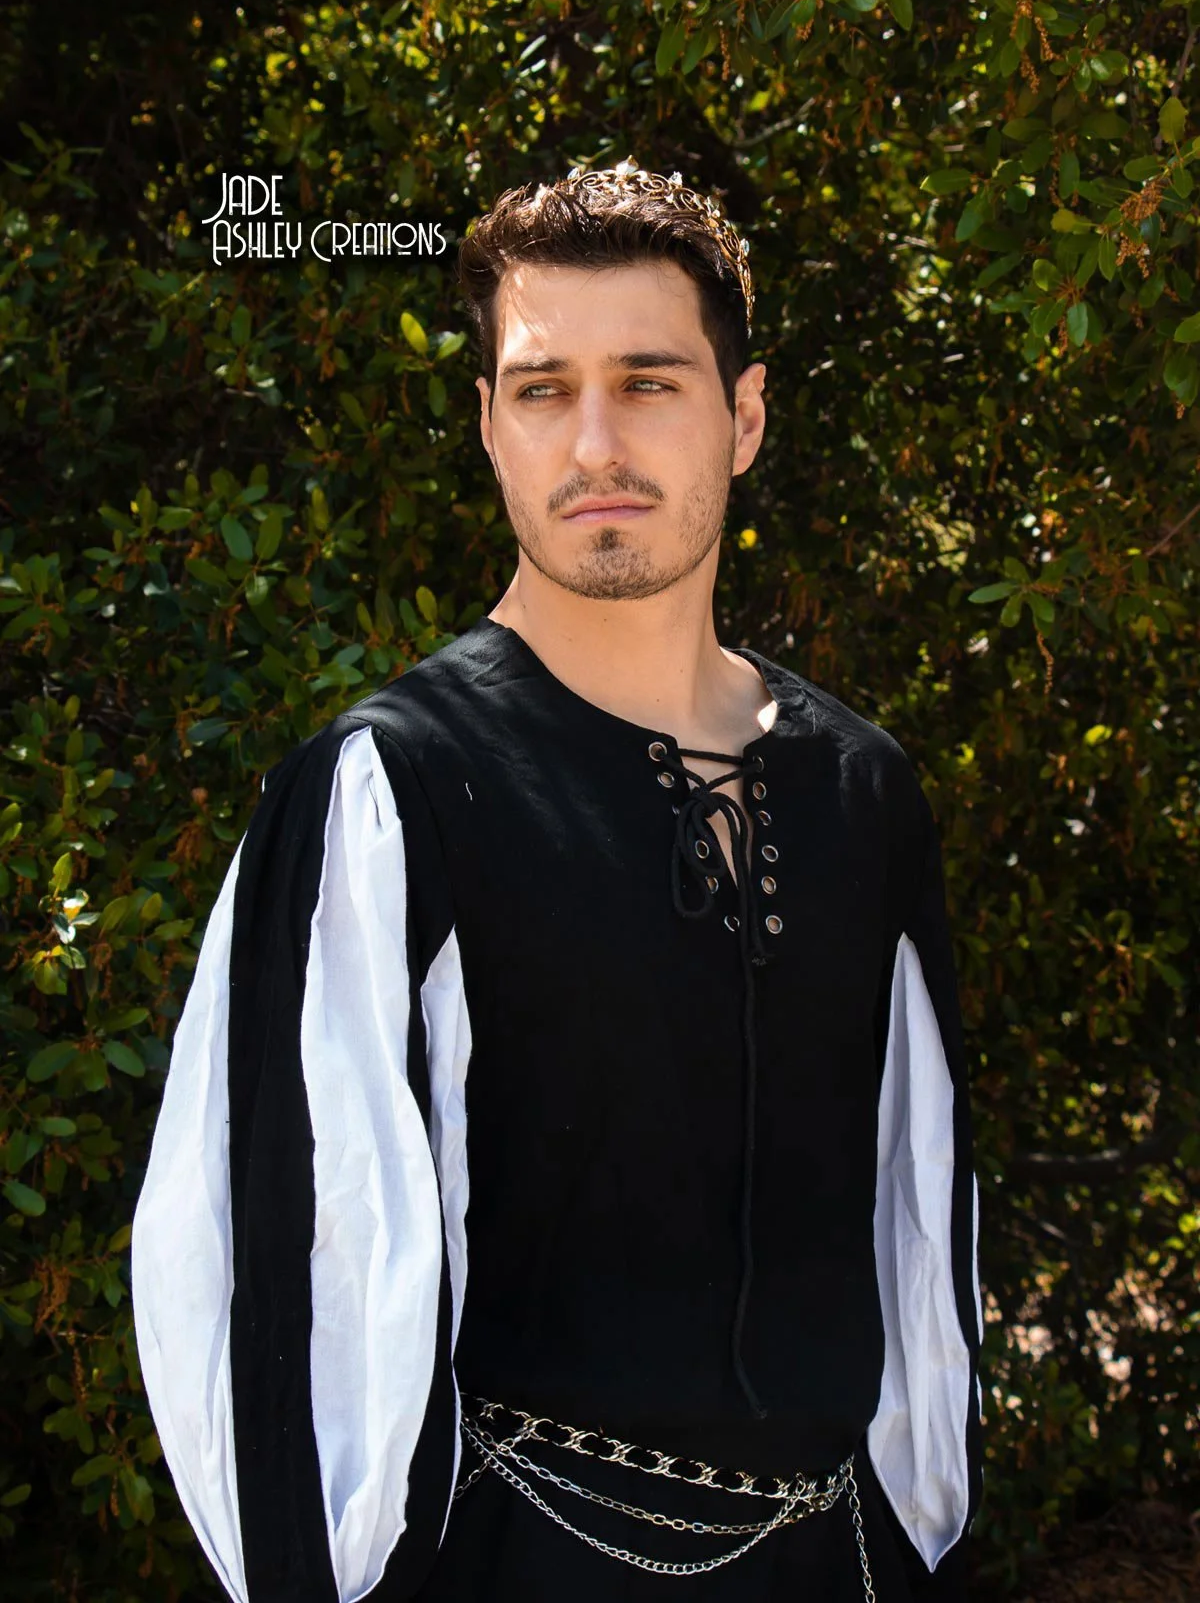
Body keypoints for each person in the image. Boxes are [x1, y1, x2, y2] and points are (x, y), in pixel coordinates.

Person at [131, 158, 984, 1602]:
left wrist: (915, 1540)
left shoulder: (863, 791)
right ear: (489, 425)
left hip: (836, 1563)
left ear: (747, 416)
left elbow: (921, 1216)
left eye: (649, 382)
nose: (596, 442)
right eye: (543, 389)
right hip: (517, 1559)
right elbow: (275, 1275)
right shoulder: (388, 790)